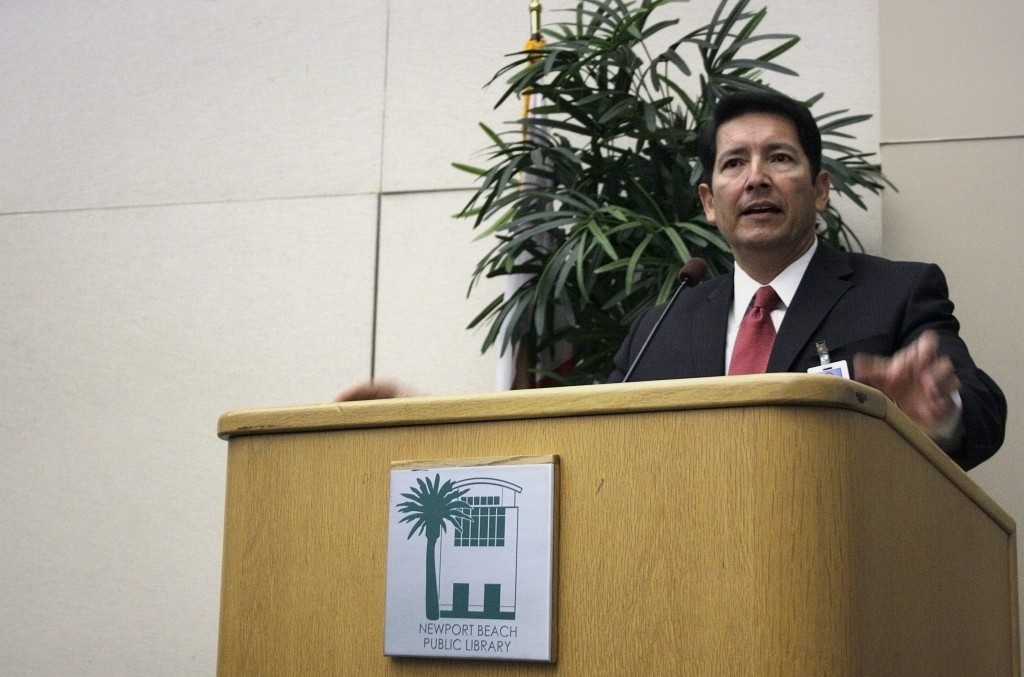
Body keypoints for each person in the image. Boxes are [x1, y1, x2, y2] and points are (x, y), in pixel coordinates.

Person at [609, 91, 1005, 471]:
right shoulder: (657, 330)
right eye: (734, 163)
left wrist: (941, 413)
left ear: (819, 190)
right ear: (709, 202)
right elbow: (603, 442)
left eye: (779, 158)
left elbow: (983, 412)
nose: (756, 178)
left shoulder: (897, 293)